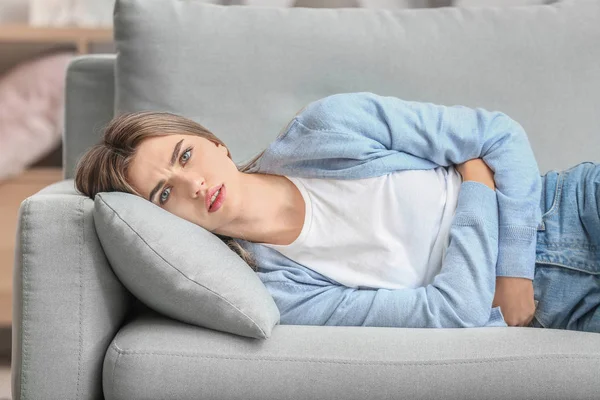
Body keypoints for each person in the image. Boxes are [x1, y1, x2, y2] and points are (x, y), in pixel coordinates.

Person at [74, 92, 600, 333]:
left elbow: (500, 134)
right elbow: (452, 312)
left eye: (185, 156)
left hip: (571, 207)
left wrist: (510, 271)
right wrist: (475, 179)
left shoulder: (328, 127)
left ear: (215, 143)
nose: (193, 185)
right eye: (164, 196)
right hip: (558, 312)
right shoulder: (283, 294)